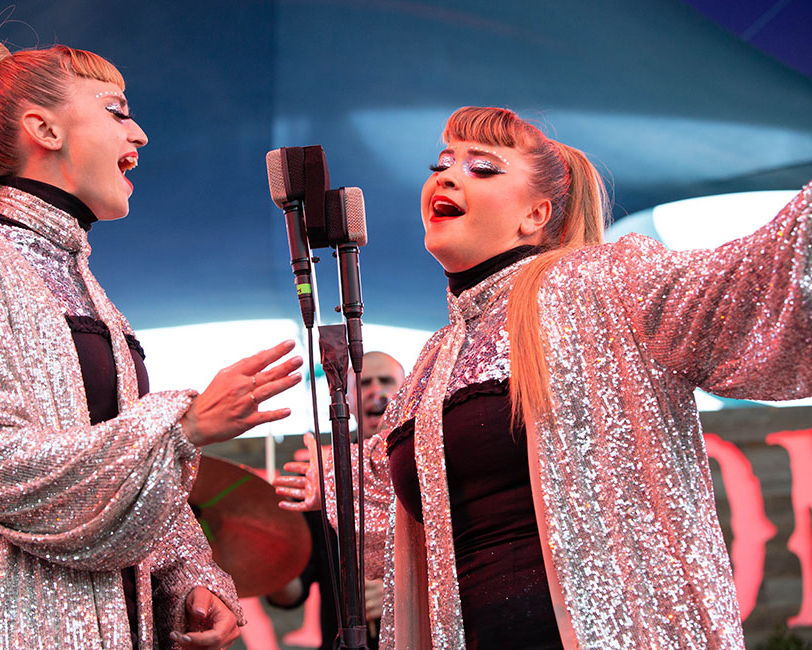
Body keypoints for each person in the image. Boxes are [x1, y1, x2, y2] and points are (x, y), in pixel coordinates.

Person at [274, 106, 812, 649]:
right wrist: (338, 485)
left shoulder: (600, 284)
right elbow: (401, 529)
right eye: (441, 163)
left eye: (482, 167)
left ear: (536, 215)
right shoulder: (435, 359)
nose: (446, 174)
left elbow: (750, 284)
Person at [0, 34, 303, 650]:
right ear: (43, 129)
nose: (138, 136)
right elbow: (2, 473)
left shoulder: (91, 292)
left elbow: (119, 485)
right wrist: (182, 426)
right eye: (117, 111)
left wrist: (186, 575)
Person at [268, 352, 405, 649]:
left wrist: (401, 597)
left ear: (407, 391)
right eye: (364, 383)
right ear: (350, 400)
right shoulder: (327, 477)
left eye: (385, 381)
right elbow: (290, 594)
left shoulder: (424, 464)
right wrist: (267, 552)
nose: (375, 390)